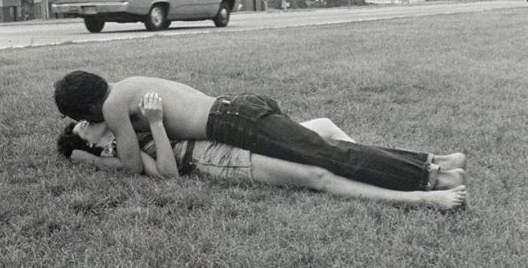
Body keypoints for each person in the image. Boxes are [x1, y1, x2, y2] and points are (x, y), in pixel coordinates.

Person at [53, 70, 466, 192]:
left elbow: (130, 167)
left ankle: (429, 176)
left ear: (89, 107)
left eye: (86, 118)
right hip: (238, 108)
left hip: (234, 123)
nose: (92, 124)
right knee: (320, 144)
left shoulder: (111, 106)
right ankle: (436, 162)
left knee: (326, 156)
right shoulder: (127, 85)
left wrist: (89, 156)